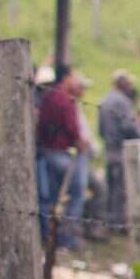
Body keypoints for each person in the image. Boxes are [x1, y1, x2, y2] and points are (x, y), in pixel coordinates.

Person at [35, 67, 91, 252]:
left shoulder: (48, 97)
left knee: (51, 196)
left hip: (47, 152)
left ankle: (47, 235)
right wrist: (81, 143)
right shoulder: (65, 100)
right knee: (75, 193)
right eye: (74, 77)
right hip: (63, 153)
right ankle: (67, 237)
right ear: (67, 78)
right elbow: (72, 129)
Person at [98, 70, 140, 228]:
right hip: (121, 149)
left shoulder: (104, 100)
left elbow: (101, 129)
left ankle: (108, 220)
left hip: (109, 149)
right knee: (120, 188)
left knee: (111, 187)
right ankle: (117, 223)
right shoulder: (122, 101)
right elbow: (128, 126)